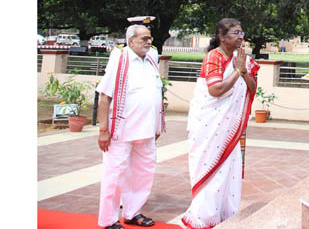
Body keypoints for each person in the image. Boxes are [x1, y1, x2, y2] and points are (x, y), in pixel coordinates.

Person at [181, 18, 259, 229]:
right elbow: (215, 90)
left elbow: (252, 89)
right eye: (235, 33)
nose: (240, 37)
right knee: (210, 168)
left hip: (229, 128)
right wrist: (237, 70)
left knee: (229, 171)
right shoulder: (213, 57)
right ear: (222, 37)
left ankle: (226, 214)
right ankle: (204, 217)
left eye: (242, 32)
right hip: (209, 125)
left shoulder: (244, 59)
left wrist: (243, 70)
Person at [96, 24, 165, 229]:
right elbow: (104, 97)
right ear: (131, 40)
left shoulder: (151, 59)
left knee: (143, 174)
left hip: (146, 131)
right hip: (121, 132)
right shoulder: (120, 59)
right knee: (114, 176)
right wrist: (102, 130)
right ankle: (108, 220)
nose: (149, 42)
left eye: (150, 38)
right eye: (144, 38)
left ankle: (132, 212)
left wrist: (157, 126)